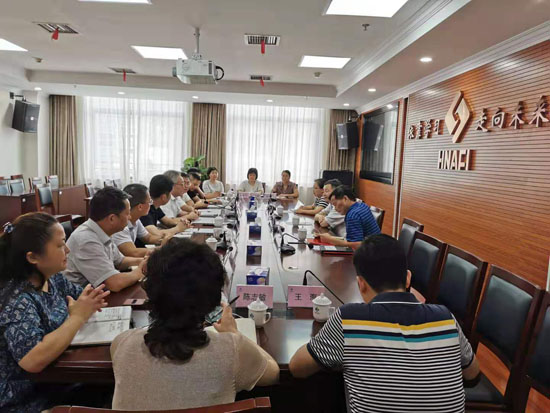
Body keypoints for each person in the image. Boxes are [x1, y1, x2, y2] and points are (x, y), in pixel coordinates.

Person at [289, 234, 480, 413]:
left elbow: (297, 368)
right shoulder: (446, 319)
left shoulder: (349, 319)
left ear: (361, 284)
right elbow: (472, 375)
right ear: (407, 278)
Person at [111, 238, 280, 410]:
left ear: (150, 293)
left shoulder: (122, 343)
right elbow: (273, 373)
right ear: (213, 299)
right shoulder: (232, 349)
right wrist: (234, 333)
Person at [0, 212, 109, 412]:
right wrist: (77, 317)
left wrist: (88, 302)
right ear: (32, 257)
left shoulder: (53, 278)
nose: (67, 249)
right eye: (60, 245)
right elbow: (32, 359)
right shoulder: (17, 298)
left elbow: (84, 298)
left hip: (57, 381)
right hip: (26, 399)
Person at [64, 187, 146, 292]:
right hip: (79, 298)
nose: (130, 217)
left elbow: (119, 261)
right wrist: (140, 271)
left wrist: (142, 261)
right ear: (112, 218)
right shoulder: (86, 240)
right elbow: (114, 283)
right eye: (127, 213)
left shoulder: (102, 230)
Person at [112, 184, 165, 258]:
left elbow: (148, 238)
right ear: (140, 207)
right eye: (149, 202)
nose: (151, 204)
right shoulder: (121, 224)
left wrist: (164, 241)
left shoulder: (136, 220)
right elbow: (133, 252)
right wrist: (163, 249)